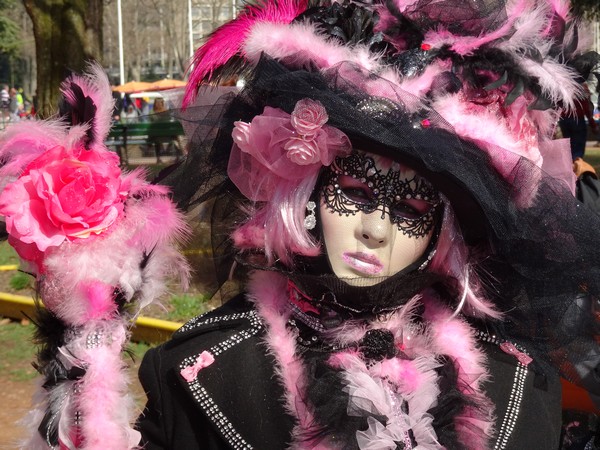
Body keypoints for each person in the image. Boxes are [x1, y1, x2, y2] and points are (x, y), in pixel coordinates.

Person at [135, 0, 600, 449]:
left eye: (412, 211)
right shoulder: (207, 371)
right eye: (355, 192)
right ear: (308, 190)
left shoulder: (518, 377)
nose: (375, 231)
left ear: (444, 231)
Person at [559, 82, 598, 160]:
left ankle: (570, 165)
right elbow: (587, 109)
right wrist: (593, 125)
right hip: (577, 120)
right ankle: (577, 165)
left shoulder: (563, 85)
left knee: (569, 146)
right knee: (578, 146)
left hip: (564, 120)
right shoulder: (582, 87)